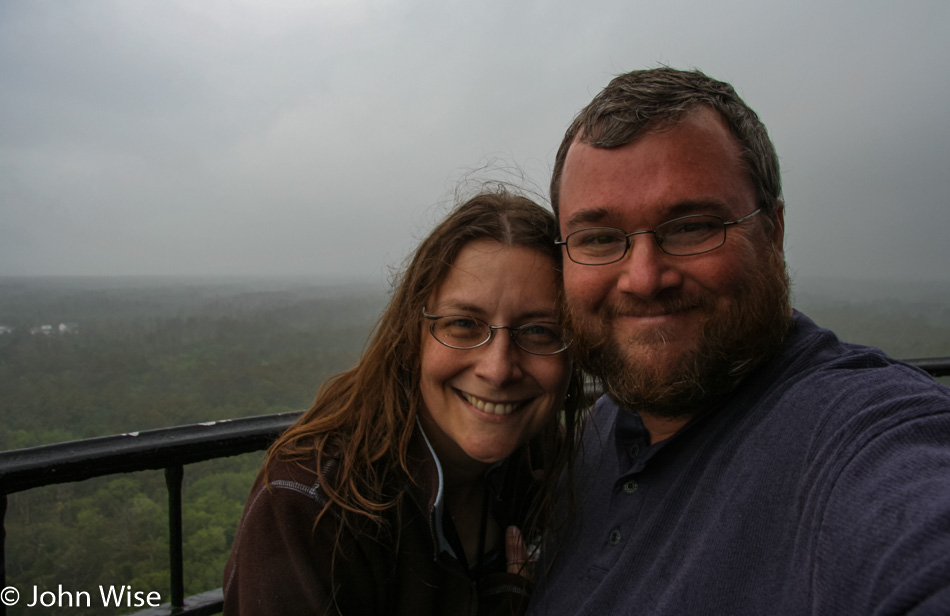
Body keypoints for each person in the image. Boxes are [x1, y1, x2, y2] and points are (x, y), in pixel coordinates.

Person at [527, 67, 950, 615]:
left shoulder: (855, 436)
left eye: (691, 226)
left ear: (772, 233)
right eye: (600, 239)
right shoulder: (594, 437)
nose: (645, 278)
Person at [223, 191, 584, 615]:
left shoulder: (544, 464)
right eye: (464, 324)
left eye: (539, 331)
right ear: (413, 336)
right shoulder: (312, 507)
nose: (498, 369)